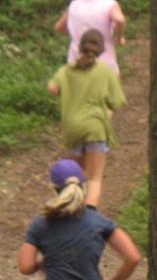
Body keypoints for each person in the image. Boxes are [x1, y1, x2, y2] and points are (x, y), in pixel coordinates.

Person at [47, 29, 126, 207]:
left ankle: (69, 206)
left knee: (73, 175)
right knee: (94, 177)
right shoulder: (106, 72)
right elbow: (117, 101)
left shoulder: (67, 70)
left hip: (73, 129)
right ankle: (90, 213)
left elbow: (52, 88)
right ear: (101, 50)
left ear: (79, 47)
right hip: (96, 128)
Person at [54, 0, 127, 75]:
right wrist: (120, 38)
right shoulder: (109, 4)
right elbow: (120, 20)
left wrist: (75, 32)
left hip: (76, 58)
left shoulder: (74, 4)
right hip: (104, 58)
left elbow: (59, 27)